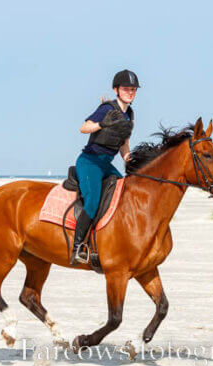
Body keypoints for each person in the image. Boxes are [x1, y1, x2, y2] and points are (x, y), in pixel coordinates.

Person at [70, 69, 140, 265]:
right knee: (92, 201)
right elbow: (83, 128)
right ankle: (78, 248)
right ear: (116, 90)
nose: (130, 92)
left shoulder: (130, 115)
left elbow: (124, 145)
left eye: (133, 89)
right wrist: (102, 123)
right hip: (89, 161)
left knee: (124, 193)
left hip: (106, 164)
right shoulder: (106, 109)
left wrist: (130, 160)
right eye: (126, 89)